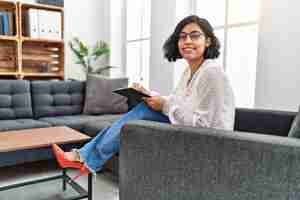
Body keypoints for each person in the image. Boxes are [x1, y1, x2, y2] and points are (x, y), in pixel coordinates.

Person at [52, 15, 235, 178]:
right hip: (191, 130)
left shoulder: (211, 73)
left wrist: (163, 105)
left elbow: (203, 125)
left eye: (195, 35)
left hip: (210, 141)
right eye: (182, 36)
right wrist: (150, 95)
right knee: (143, 108)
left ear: (208, 41)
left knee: (142, 112)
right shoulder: (189, 71)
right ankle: (85, 157)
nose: (187, 40)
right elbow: (177, 101)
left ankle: (84, 157)